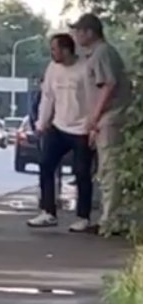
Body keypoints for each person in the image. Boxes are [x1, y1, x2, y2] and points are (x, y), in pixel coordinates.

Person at [71, 13, 133, 233]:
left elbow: (108, 85)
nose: (75, 35)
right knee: (105, 169)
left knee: (109, 170)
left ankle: (111, 220)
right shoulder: (97, 54)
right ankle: (109, 216)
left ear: (89, 32)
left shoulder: (102, 53)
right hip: (106, 119)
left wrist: (94, 118)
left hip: (110, 118)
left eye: (78, 31)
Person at [27, 34, 95, 232]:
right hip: (58, 126)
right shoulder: (53, 68)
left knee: (82, 173)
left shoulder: (85, 68)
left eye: (55, 49)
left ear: (66, 50)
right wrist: (42, 123)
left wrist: (93, 127)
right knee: (46, 165)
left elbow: (93, 99)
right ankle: (48, 212)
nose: (52, 53)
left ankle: (83, 217)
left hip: (82, 128)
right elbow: (48, 97)